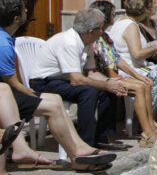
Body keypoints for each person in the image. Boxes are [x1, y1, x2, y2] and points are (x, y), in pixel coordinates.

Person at [0, 0, 116, 170]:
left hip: (25, 88)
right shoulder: (4, 44)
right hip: (35, 84)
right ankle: (78, 155)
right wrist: (34, 94)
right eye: (24, 10)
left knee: (57, 100)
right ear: (16, 18)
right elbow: (12, 83)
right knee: (80, 94)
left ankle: (82, 147)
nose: (27, 11)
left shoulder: (6, 39)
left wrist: (109, 84)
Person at [28, 8, 127, 149]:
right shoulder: (69, 42)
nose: (102, 31)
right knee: (88, 92)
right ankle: (85, 143)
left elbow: (91, 72)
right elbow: (77, 80)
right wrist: (105, 85)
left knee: (107, 91)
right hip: (44, 81)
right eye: (100, 28)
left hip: (64, 79)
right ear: (91, 31)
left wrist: (110, 83)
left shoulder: (87, 42)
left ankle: (101, 137)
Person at [104, 0, 157, 145]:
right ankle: (154, 119)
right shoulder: (131, 26)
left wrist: (153, 45)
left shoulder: (123, 22)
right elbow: (136, 54)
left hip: (130, 66)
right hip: (130, 69)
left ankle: (153, 122)